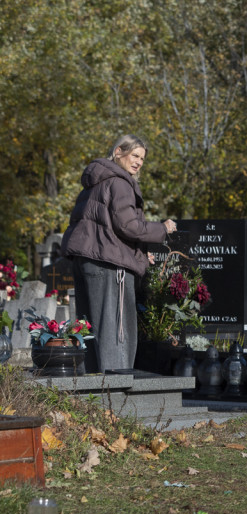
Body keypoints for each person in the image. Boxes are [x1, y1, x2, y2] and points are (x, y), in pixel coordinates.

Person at [61, 134, 177, 373]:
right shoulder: (119, 182)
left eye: (142, 158)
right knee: (115, 329)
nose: (139, 162)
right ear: (118, 152)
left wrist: (141, 255)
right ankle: (115, 392)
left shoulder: (95, 181)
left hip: (87, 261)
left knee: (89, 328)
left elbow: (106, 228)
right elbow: (128, 226)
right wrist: (162, 229)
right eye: (135, 155)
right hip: (108, 266)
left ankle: (91, 393)